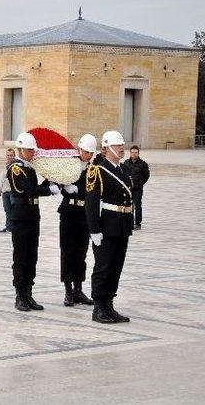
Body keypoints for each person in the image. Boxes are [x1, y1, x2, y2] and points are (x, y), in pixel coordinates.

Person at [8, 132, 60, 311]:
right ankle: (20, 295)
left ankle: (29, 293)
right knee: (21, 256)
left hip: (32, 215)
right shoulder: (15, 168)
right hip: (21, 216)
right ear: (20, 149)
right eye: (29, 150)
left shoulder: (29, 168)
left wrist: (52, 181)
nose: (32, 153)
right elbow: (28, 190)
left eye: (33, 150)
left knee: (32, 256)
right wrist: (49, 191)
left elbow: (37, 188)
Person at [85, 130, 134, 323]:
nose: (121, 149)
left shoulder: (122, 169)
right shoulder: (97, 170)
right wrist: (94, 230)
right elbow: (91, 203)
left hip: (122, 226)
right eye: (117, 146)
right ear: (106, 148)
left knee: (116, 267)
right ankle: (99, 308)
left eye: (122, 145)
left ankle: (109, 305)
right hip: (106, 227)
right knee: (103, 267)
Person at [57, 134, 97, 307]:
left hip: (84, 214)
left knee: (81, 254)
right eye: (86, 152)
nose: (88, 155)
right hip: (69, 213)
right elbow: (54, 179)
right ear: (79, 149)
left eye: (90, 153)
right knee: (68, 252)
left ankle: (78, 290)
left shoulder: (92, 169)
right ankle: (68, 291)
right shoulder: (69, 165)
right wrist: (64, 185)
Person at [123, 145, 150, 230]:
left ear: (138, 153)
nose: (134, 154)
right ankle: (129, 223)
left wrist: (141, 183)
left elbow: (146, 175)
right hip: (129, 189)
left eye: (136, 152)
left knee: (138, 205)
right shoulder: (126, 163)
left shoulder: (143, 164)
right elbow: (123, 174)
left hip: (138, 188)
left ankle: (137, 223)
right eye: (132, 152)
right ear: (130, 153)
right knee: (129, 206)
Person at [0, 148, 16, 233]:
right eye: (8, 155)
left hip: (12, 192)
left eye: (11, 155)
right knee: (7, 210)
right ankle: (8, 226)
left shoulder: (16, 166)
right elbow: (3, 179)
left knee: (13, 209)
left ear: (14, 156)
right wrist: (0, 189)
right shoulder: (6, 165)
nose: (9, 157)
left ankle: (14, 227)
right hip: (5, 191)